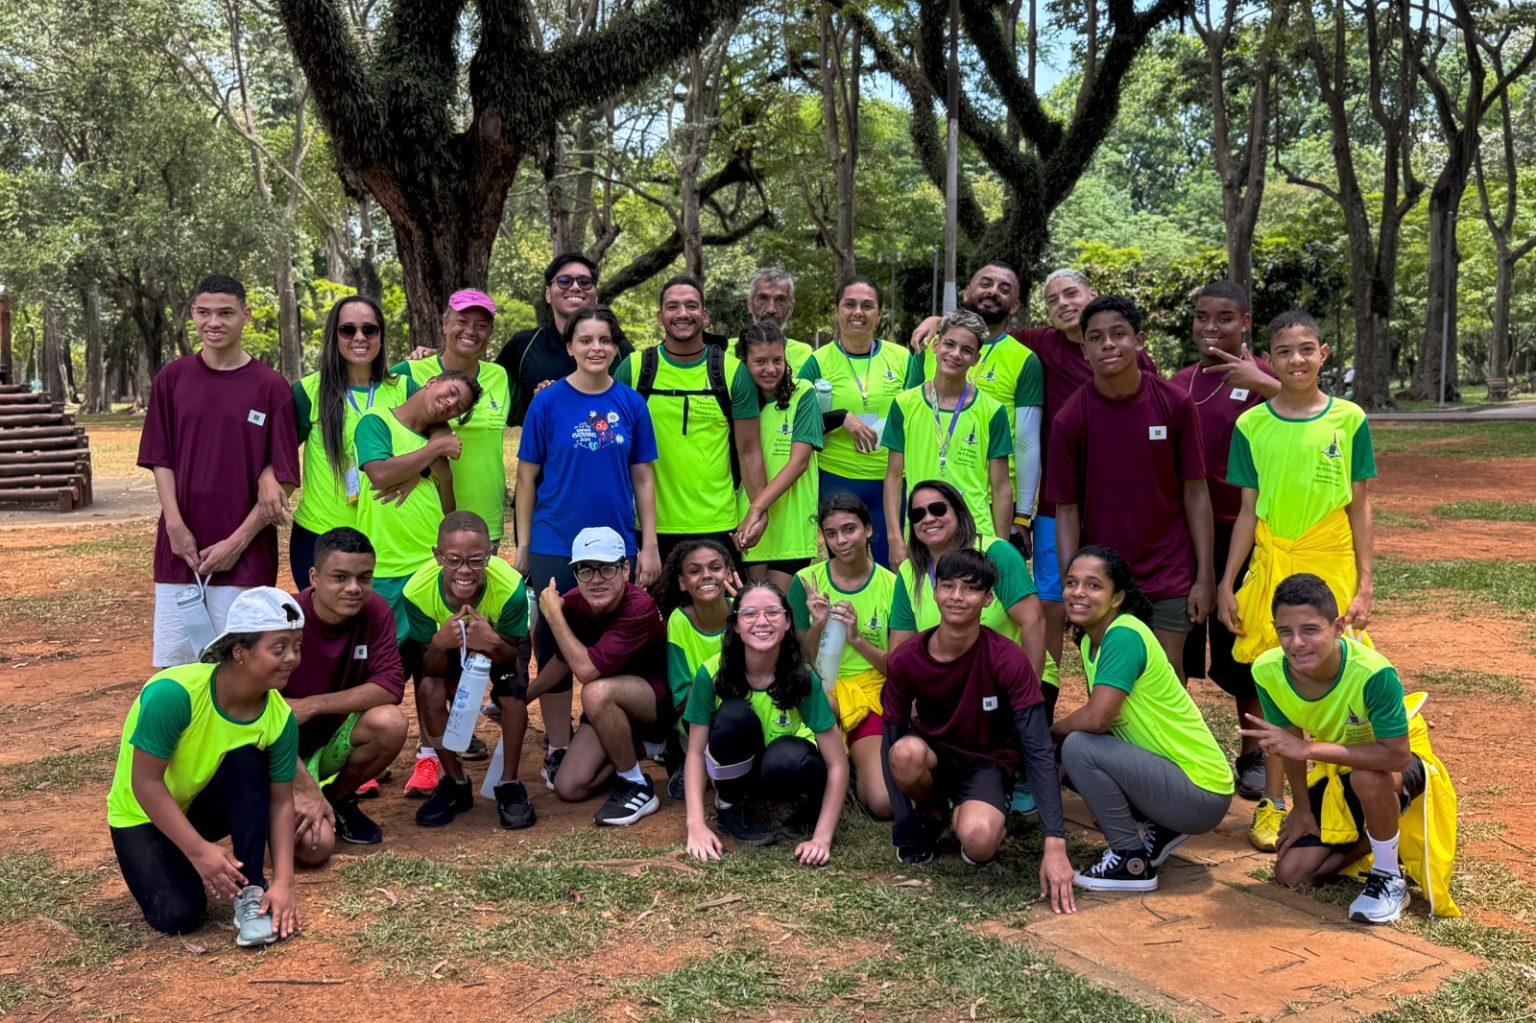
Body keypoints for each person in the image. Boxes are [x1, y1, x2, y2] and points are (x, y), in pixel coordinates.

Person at [1218, 309, 1378, 853]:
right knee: (1274, 681)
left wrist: (1365, 585)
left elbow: (1360, 506)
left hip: (1330, 565)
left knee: (1337, 674)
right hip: (1273, 563)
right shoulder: (1251, 425)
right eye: (1284, 352)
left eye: (1307, 349)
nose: (1297, 360)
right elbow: (1247, 512)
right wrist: (1227, 581)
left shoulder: (1349, 419)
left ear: (1323, 354)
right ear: (1269, 359)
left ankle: (1343, 795)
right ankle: (1275, 800)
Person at [106, 587, 303, 945]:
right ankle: (182, 857)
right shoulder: (174, 694)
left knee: (247, 758)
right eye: (279, 648)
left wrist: (283, 882)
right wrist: (199, 851)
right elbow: (145, 783)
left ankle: (251, 891)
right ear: (240, 652)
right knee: (178, 915)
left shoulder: (280, 718)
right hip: (142, 813)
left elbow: (281, 803)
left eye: (297, 646)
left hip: (198, 806)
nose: (292, 658)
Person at [881, 550, 1076, 907]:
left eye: (971, 588)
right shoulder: (906, 658)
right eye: (948, 586)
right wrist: (902, 817)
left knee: (979, 843)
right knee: (904, 753)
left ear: (988, 599)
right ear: (935, 592)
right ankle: (934, 812)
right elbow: (891, 734)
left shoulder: (1008, 658)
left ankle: (972, 814)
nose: (957, 596)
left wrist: (1054, 842)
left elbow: (1037, 747)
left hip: (987, 759)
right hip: (934, 753)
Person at [515, 305, 661, 773]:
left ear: (616, 347)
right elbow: (526, 478)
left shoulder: (631, 403)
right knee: (553, 639)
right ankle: (558, 744)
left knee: (615, 639)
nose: (596, 348)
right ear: (570, 346)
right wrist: (523, 545)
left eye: (604, 340)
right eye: (586, 340)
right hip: (555, 540)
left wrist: (649, 543)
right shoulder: (547, 403)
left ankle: (612, 733)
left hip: (617, 544)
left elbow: (643, 478)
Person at [1047, 295, 1214, 681]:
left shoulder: (1175, 403)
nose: (1108, 344)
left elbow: (1196, 491)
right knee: (1110, 676)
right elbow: (1066, 509)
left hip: (1169, 568)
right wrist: (1074, 583)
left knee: (1167, 674)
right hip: (1103, 574)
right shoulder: (1070, 419)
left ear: (1138, 341)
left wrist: (1205, 576)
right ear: (1085, 350)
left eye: (1118, 334)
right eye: (1095, 338)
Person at [1240, 575, 1422, 924]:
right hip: (1340, 769)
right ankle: (1375, 837)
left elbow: (1397, 756)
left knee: (1368, 778)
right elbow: (1287, 743)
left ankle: (1389, 876)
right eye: (1285, 632)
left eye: (1310, 630)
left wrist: (1308, 748)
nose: (1296, 643)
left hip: (1397, 763)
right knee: (1292, 873)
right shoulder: (1266, 670)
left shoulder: (1373, 672)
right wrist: (1302, 808)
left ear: (1338, 626)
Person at [139, 274, 300, 667]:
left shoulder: (271, 386)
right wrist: (174, 526)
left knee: (239, 669)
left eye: (226, 313)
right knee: (176, 670)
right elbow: (160, 458)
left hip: (245, 558)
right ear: (193, 314)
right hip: (181, 553)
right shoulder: (172, 379)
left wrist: (236, 544)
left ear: (246, 315)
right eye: (204, 312)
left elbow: (285, 477)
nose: (213, 322)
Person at [1053, 546, 1234, 892]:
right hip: (1184, 784)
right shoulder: (1093, 642)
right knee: (1077, 752)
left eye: (1094, 585)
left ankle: (1129, 861)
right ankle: (1163, 829)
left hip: (1199, 791)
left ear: (1117, 597)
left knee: (1077, 747)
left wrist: (1051, 733)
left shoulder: (1123, 635)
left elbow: (1097, 718)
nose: (1078, 592)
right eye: (1072, 582)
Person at [1168, 282, 1278, 800]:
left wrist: (1265, 382)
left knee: (1244, 643)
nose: (1211, 327)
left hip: (1247, 532)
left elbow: (1313, 412)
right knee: (1179, 641)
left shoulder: (1267, 379)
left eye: (1225, 318)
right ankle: (1180, 749)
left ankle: (1253, 752)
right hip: (1186, 533)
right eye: (1202, 317)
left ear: (1246, 322)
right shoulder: (1180, 383)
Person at [682, 581, 849, 861]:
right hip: (740, 769)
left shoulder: (802, 677)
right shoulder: (711, 673)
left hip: (783, 767)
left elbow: (837, 763)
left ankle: (809, 808)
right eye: (749, 613)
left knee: (787, 757)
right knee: (733, 715)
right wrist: (695, 825)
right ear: (736, 625)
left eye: (772, 612)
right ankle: (730, 805)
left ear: (787, 622)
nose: (762, 621)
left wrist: (822, 838)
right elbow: (696, 752)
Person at [613, 276, 767, 564]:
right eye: (672, 306)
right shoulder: (633, 370)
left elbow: (749, 450)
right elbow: (613, 448)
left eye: (691, 306)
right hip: (648, 527)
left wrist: (759, 510)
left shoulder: (732, 372)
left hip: (717, 523)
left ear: (705, 315)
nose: (682, 313)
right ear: (660, 316)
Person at [528, 527, 669, 826]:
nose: (596, 579)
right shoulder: (575, 602)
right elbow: (563, 661)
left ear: (625, 569)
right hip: (610, 709)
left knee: (595, 691)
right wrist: (522, 698)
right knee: (569, 787)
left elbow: (585, 670)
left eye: (607, 568)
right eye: (586, 570)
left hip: (654, 701)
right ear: (576, 574)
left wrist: (554, 616)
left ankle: (636, 783)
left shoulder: (639, 607)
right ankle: (649, 747)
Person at [282, 527, 408, 863]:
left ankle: (337, 798)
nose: (354, 588)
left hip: (330, 739)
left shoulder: (375, 609)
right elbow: (256, 713)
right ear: (314, 577)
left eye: (364, 578)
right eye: (340, 577)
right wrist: (302, 786)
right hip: (280, 750)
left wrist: (312, 706)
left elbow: (390, 685)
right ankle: (283, 805)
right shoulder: (285, 617)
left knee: (390, 722)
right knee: (314, 848)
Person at [402, 512, 531, 829]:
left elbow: (512, 658)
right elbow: (429, 667)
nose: (464, 570)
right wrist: (438, 643)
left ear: (490, 555)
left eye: (475, 560)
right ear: (438, 556)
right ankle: (455, 781)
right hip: (447, 645)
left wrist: (493, 642)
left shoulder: (511, 589)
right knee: (429, 691)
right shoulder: (416, 592)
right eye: (453, 560)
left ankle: (509, 783)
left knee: (513, 696)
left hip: (499, 645)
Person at [905, 263, 1043, 558]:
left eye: (1004, 289)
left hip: (990, 501)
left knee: (981, 580)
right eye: (986, 283)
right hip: (926, 498)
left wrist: (1022, 515)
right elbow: (906, 424)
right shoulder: (929, 346)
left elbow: (1026, 442)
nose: (993, 291)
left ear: (1015, 306)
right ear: (967, 292)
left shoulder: (1024, 360)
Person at [289, 296, 416, 586]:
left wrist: (418, 474)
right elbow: (278, 455)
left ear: (381, 336)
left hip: (386, 536)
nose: (360, 337)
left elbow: (439, 444)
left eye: (369, 330)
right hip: (320, 534)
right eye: (348, 330)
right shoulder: (308, 391)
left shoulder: (404, 388)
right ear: (334, 335)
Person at [788, 493, 896, 817]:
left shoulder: (893, 585)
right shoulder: (806, 582)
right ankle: (838, 765)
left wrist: (857, 639)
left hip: (870, 695)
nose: (841, 541)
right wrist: (818, 624)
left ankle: (858, 766)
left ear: (868, 529)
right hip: (822, 691)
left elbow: (896, 667)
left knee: (882, 802)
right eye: (831, 533)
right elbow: (800, 659)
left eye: (849, 529)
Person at [353, 369, 482, 635]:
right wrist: (434, 452)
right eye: (451, 392)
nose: (450, 404)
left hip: (431, 562)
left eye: (458, 407)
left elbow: (447, 511)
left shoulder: (438, 437)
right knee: (385, 647)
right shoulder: (377, 420)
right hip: (387, 562)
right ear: (432, 382)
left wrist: (441, 476)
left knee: (433, 650)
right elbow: (380, 475)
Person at [797, 277, 911, 566]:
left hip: (891, 481)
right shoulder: (817, 361)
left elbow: (919, 413)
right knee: (845, 568)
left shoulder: (901, 358)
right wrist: (840, 418)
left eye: (867, 306)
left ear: (879, 313)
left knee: (895, 565)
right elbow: (798, 423)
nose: (858, 312)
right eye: (850, 304)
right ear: (837, 310)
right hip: (838, 479)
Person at [883, 307, 1013, 560]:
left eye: (966, 350)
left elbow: (1001, 488)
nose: (955, 354)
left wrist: (1000, 548)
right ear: (936, 345)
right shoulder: (904, 404)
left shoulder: (992, 411)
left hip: (975, 534)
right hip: (922, 531)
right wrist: (895, 539)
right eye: (949, 344)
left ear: (976, 358)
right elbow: (893, 477)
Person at [889, 480, 1044, 677]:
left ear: (958, 512)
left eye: (938, 509)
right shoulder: (909, 571)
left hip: (1012, 675)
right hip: (949, 681)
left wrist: (1029, 688)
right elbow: (900, 648)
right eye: (918, 514)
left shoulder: (996, 553)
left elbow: (1033, 621)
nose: (928, 519)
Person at [394, 290, 513, 547]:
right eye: (462, 321)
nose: (471, 331)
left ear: (490, 333)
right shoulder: (410, 372)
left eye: (481, 326)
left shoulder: (499, 376)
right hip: (422, 515)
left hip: (483, 519)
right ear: (445, 324)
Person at [735, 321, 824, 590]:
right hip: (748, 523)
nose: (770, 369)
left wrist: (757, 509)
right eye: (760, 361)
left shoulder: (803, 393)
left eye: (777, 360)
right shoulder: (738, 399)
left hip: (790, 523)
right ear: (744, 361)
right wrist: (753, 512)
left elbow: (799, 463)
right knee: (752, 604)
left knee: (778, 606)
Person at [496, 253, 634, 427]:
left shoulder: (619, 348)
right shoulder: (523, 346)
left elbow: (636, 410)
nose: (575, 287)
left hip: (609, 442)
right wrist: (540, 404)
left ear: (596, 295)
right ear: (548, 294)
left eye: (585, 282)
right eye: (564, 281)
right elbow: (494, 404)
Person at [657, 539, 742, 798]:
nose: (706, 575)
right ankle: (699, 762)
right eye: (694, 571)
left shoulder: (745, 612)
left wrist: (748, 610)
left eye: (715, 567)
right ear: (683, 582)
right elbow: (682, 698)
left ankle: (706, 768)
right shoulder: (679, 621)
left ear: (729, 574)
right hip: (698, 720)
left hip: (745, 712)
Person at [731, 267, 814, 372]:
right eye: (763, 298)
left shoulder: (805, 355)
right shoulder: (725, 352)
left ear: (790, 309)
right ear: (750, 305)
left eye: (780, 300)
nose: (771, 309)